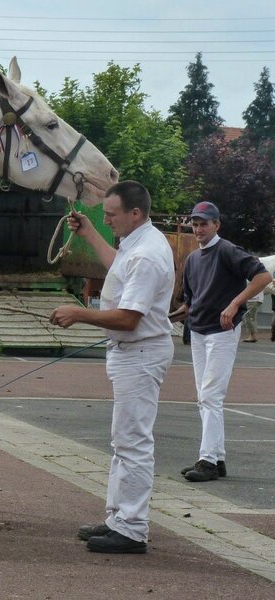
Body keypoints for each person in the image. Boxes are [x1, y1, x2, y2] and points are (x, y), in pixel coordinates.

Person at [50, 181, 174, 555]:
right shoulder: (137, 245)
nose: (107, 220)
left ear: (135, 213)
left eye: (111, 215)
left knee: (133, 443)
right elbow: (118, 268)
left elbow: (129, 318)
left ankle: (132, 529)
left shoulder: (148, 254)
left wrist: (79, 313)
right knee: (124, 441)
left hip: (139, 351)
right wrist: (89, 234)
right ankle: (118, 519)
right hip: (131, 353)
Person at [171, 201, 272, 482]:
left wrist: (234, 304)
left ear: (216, 224)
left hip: (222, 331)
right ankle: (217, 457)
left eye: (204, 223)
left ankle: (207, 462)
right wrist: (167, 317)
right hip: (199, 331)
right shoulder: (192, 259)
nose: (199, 228)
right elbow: (190, 303)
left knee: (211, 396)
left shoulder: (227, 250)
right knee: (204, 397)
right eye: (195, 223)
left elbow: (263, 276)